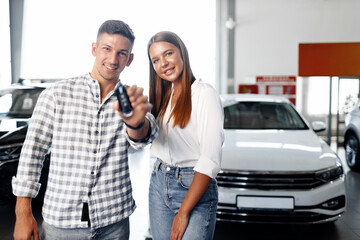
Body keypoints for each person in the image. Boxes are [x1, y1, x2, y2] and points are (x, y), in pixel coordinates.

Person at [12, 20, 159, 240]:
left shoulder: (131, 99)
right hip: (61, 223)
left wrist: (134, 123)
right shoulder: (56, 94)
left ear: (129, 59)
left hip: (114, 222)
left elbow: (144, 137)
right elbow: (32, 153)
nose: (112, 59)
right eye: (106, 49)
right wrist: (22, 213)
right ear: (94, 49)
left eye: (121, 53)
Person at [147, 31, 224, 240]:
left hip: (193, 186)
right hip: (159, 181)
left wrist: (183, 212)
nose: (163, 63)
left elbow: (210, 159)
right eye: (156, 60)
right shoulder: (164, 97)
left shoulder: (204, 94)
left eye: (168, 53)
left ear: (182, 52)